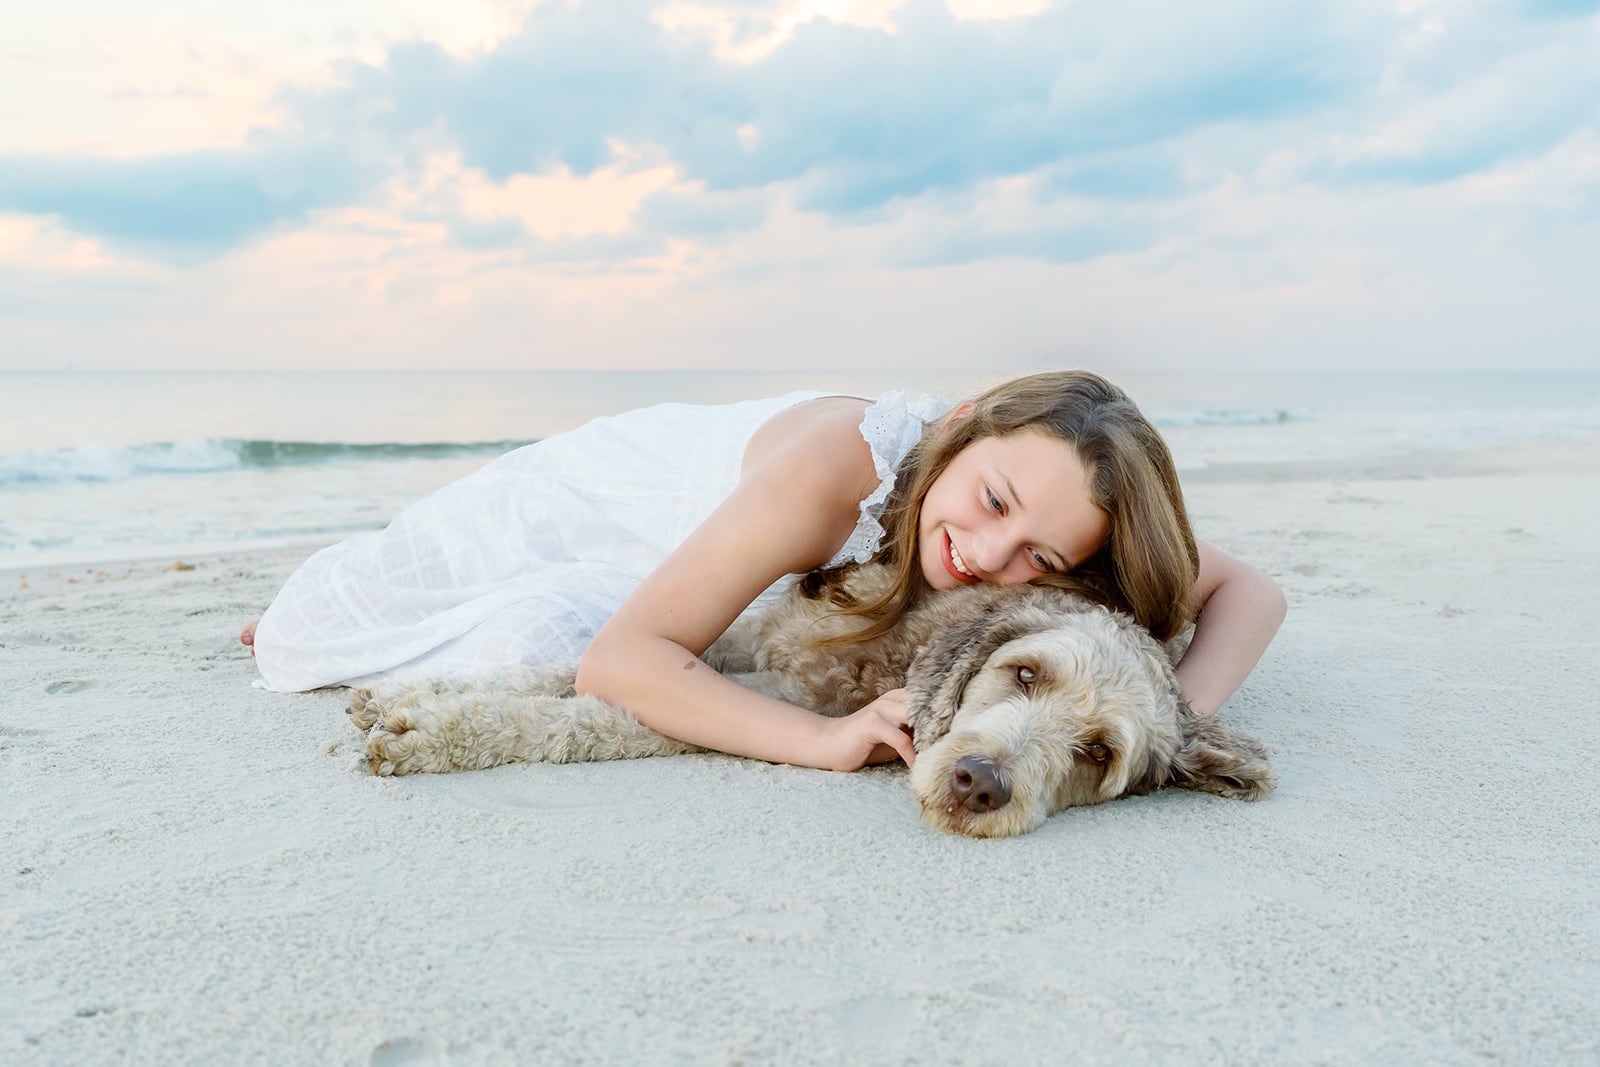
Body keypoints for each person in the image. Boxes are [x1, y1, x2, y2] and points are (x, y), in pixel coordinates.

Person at [243, 371, 1286, 772]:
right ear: (963, 423)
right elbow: (625, 661)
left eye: (1043, 558)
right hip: (600, 507)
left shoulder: (1055, 524)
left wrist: (1174, 719)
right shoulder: (847, 469)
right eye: (993, 500)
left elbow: (1252, 591)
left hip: (704, 553)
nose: (991, 555)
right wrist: (822, 738)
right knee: (475, 636)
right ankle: (337, 591)